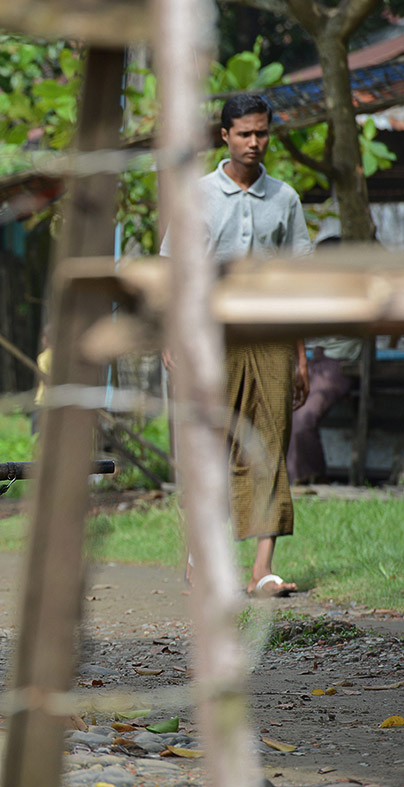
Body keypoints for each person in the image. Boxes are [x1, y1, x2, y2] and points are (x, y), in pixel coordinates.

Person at [162, 94, 311, 597]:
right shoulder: (196, 196)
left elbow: (296, 283)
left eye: (262, 133)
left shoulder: (285, 198)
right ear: (224, 135)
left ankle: (262, 570)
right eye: (245, 133)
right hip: (209, 334)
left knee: (271, 445)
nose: (255, 142)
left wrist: (300, 355)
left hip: (270, 335)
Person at [288, 236, 361, 485]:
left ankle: (312, 479)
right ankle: (292, 477)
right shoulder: (319, 289)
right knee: (285, 411)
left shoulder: (353, 290)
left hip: (338, 364)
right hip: (314, 360)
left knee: (303, 416)